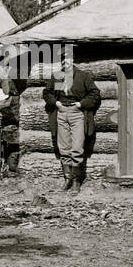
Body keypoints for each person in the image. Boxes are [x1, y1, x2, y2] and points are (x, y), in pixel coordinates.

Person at [42, 45, 100, 194]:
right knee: (64, 147)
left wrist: (81, 104)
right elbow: (47, 93)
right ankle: (67, 179)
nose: (64, 62)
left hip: (77, 114)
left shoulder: (83, 76)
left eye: (66, 58)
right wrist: (56, 103)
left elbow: (95, 94)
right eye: (61, 59)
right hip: (61, 113)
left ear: (72, 59)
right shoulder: (57, 76)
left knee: (77, 147)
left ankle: (76, 181)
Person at [0, 45, 28, 180]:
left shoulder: (17, 69)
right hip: (11, 100)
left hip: (16, 100)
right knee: (9, 134)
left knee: (14, 132)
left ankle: (14, 163)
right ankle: (10, 163)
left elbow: (10, 89)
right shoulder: (4, 69)